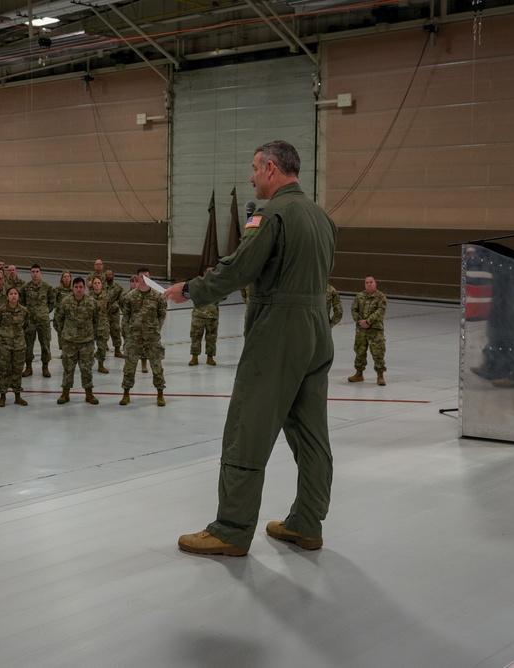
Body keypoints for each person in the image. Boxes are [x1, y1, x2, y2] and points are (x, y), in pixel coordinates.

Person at [166, 140, 337, 556]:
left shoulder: (272, 213)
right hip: (317, 331)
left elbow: (241, 267)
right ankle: (307, 523)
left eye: (255, 168)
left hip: (278, 332)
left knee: (247, 427)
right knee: (312, 433)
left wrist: (191, 290)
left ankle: (231, 529)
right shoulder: (321, 217)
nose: (252, 177)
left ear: (273, 169)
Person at [119, 268, 167, 406]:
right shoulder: (130, 297)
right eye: (141, 277)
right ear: (137, 279)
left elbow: (162, 314)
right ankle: (126, 394)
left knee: (157, 366)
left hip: (152, 337)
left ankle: (160, 394)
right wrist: (128, 335)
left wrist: (156, 329)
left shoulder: (158, 297)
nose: (144, 279)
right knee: (129, 366)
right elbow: (126, 317)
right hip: (134, 337)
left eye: (147, 276)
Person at [53, 277, 100, 405]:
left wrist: (91, 335)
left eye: (81, 287)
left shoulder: (92, 303)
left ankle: (89, 394)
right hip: (69, 342)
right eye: (76, 287)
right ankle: (65, 393)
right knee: (68, 368)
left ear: (84, 288)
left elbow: (97, 321)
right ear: (73, 288)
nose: (78, 290)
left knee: (87, 368)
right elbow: (58, 320)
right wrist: (65, 333)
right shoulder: (65, 302)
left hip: (87, 342)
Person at [349, 275, 387, 385]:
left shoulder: (380, 297)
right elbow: (353, 309)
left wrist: (368, 321)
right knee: (359, 351)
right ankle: (359, 374)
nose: (368, 284)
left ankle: (380, 376)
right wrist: (360, 321)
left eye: (371, 282)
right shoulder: (359, 296)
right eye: (366, 282)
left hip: (375, 330)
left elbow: (380, 311)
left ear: (375, 283)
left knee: (378, 352)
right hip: (361, 330)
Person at [0, 286, 29, 407]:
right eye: (11, 294)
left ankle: (17, 396)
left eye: (15, 293)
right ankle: (2, 395)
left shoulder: (24, 311)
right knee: (3, 370)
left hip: (19, 345)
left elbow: (26, 325)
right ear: (7, 296)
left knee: (17, 371)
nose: (13, 295)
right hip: (4, 345)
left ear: (18, 296)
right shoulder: (1, 310)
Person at [21, 264, 56, 378]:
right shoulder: (25, 287)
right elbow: (21, 303)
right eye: (33, 271)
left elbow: (52, 302)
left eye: (37, 271)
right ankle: (28, 367)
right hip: (30, 321)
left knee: (45, 345)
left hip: (43, 321)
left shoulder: (47, 287)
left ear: (40, 273)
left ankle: (45, 367)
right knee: (28, 345)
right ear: (30, 273)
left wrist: (44, 312)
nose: (35, 274)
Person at [189, 266, 221, 366]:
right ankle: (194, 357)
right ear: (204, 273)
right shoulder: (197, 284)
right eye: (208, 272)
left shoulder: (218, 285)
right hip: (198, 315)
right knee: (195, 336)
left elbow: (224, 296)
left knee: (211, 337)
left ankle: (210, 357)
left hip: (212, 316)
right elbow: (191, 293)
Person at [90, 277, 111, 374]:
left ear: (101, 284)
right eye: (95, 283)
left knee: (102, 347)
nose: (97, 284)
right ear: (92, 285)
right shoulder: (88, 297)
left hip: (103, 326)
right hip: (90, 326)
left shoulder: (107, 297)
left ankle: (101, 365)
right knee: (89, 347)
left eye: (98, 283)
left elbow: (110, 308)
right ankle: (87, 365)